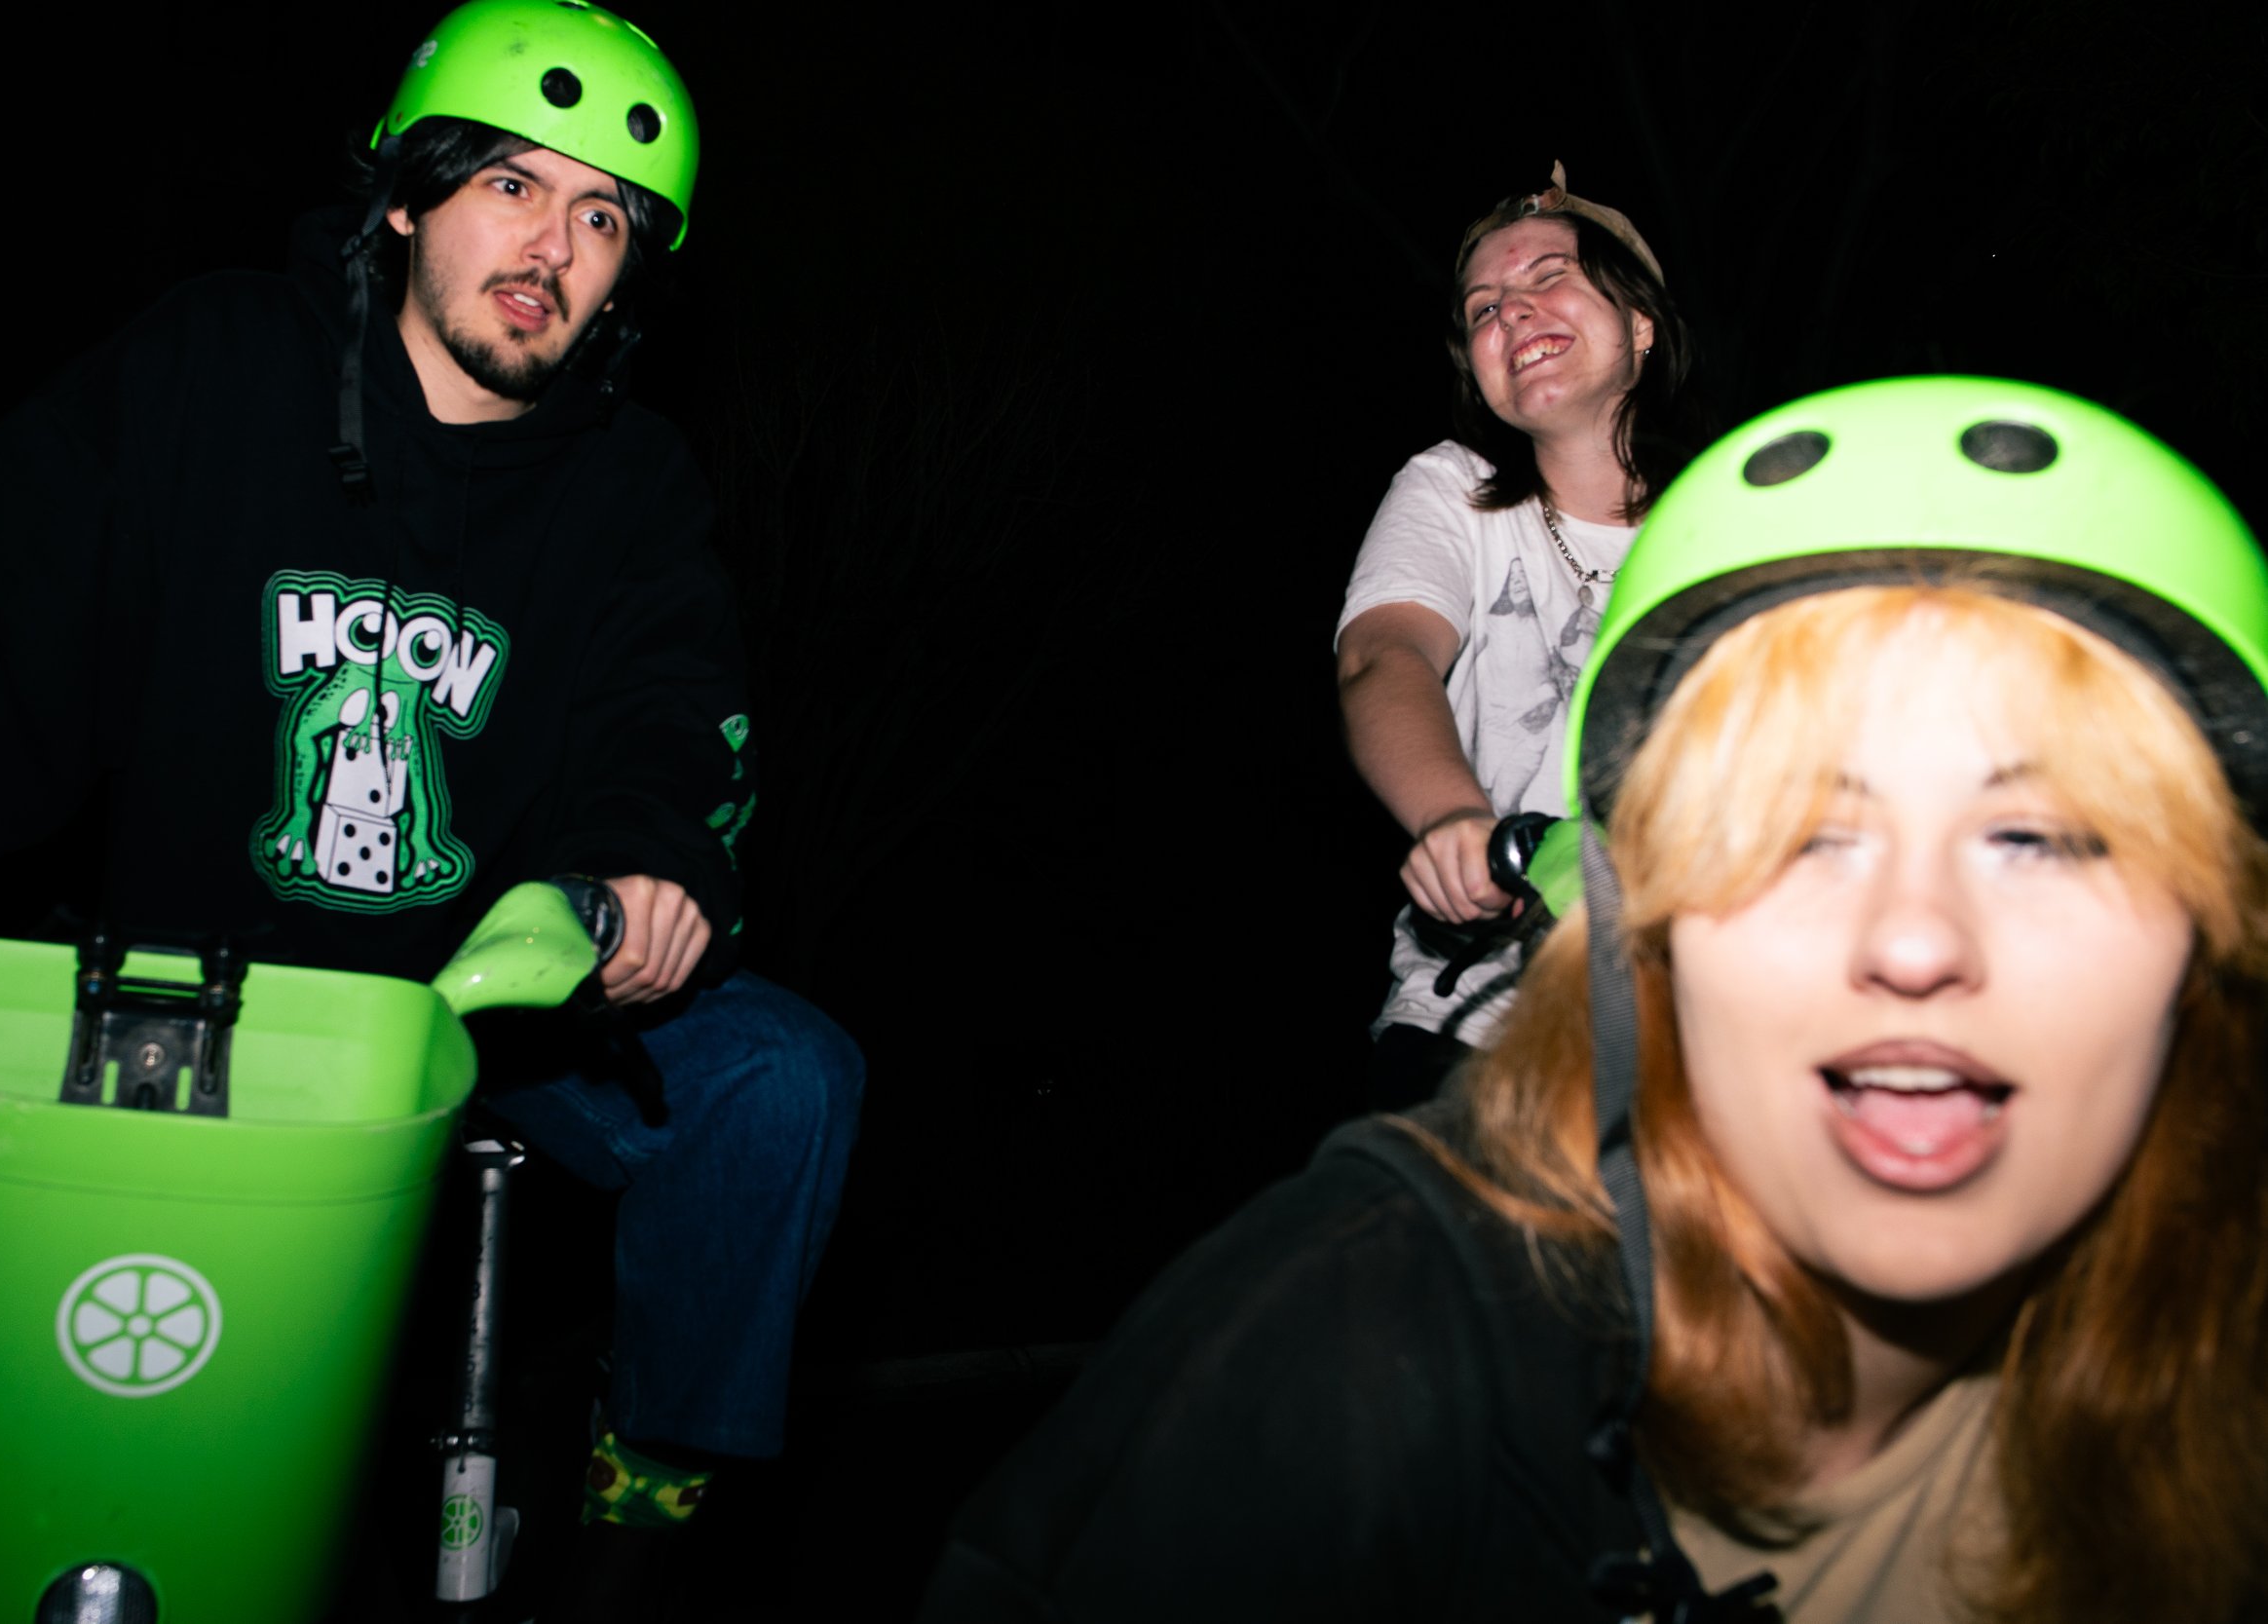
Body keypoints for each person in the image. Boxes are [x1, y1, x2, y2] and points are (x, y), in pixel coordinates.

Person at [920, 377, 2268, 1622]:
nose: (1915, 941)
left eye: (2038, 838)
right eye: (1798, 833)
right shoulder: (1359, 1344)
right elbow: (1381, 655)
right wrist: (1453, 821)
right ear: (1641, 922)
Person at [0, 1, 861, 1613]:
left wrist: (642, 864)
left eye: (605, 218)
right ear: (405, 196)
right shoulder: (217, 368)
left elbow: (675, 718)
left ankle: (643, 1509)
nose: (556, 245)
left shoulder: (631, 485)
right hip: (182, 993)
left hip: (472, 1008)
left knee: (782, 1077)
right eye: (512, 184)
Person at [1336, 163, 1707, 1111]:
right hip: (1480, 1026)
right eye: (1484, 308)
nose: (1512, 311)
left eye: (1550, 276)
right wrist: (1453, 823)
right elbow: (1383, 655)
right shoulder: (1452, 490)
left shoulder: (1731, 521)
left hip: (1702, 1033)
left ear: (1640, 322)